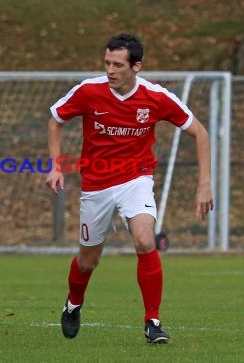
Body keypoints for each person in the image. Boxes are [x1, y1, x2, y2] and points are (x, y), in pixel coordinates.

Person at [45, 33, 213, 344]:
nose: (110, 70)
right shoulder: (88, 91)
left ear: (136, 66)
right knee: (88, 260)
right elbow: (55, 120)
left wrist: (204, 185)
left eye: (118, 65)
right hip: (96, 184)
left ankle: (152, 321)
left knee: (145, 239)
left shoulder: (156, 97)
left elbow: (200, 133)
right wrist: (55, 165)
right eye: (107, 63)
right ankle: (73, 304)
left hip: (136, 179)